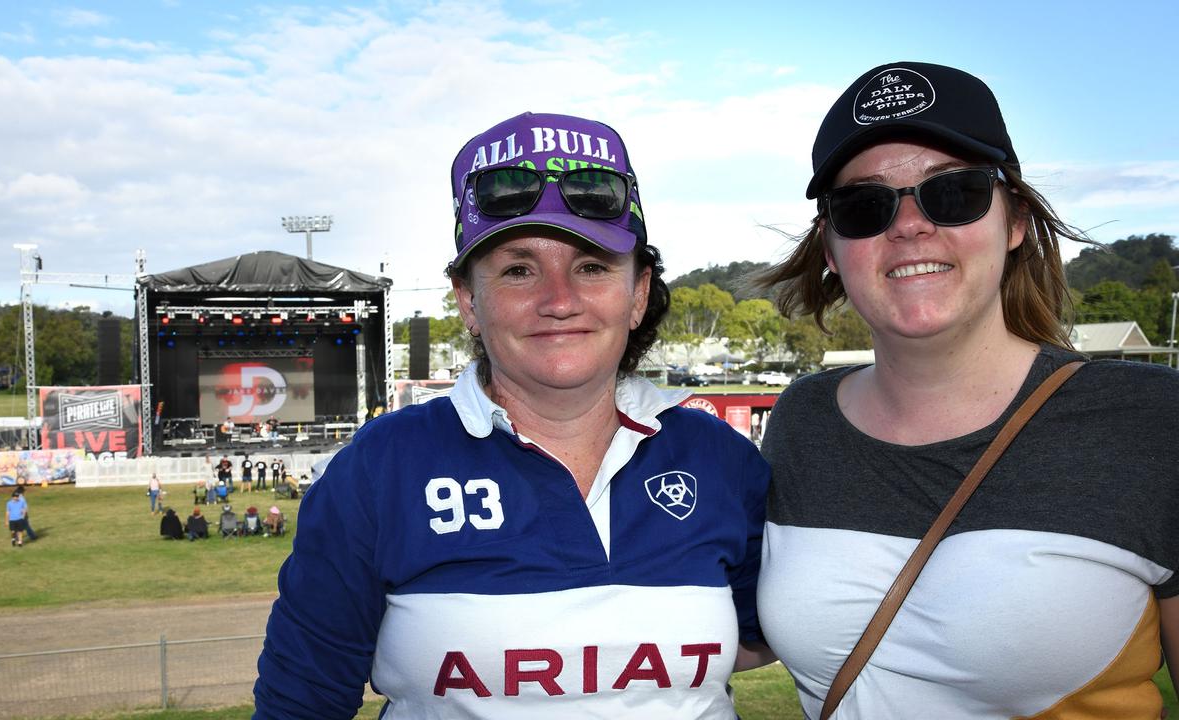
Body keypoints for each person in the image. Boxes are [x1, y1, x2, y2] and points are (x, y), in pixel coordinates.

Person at [254, 112, 773, 719]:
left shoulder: (722, 461)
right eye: (519, 270)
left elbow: (778, 631)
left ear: (637, 294)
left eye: (592, 267)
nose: (558, 300)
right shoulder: (377, 470)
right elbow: (301, 704)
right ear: (469, 302)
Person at [754, 61, 1179, 719]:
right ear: (832, 250)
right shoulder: (801, 420)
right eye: (863, 205)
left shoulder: (1153, 420)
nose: (910, 225)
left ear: (1015, 223)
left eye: (953, 192)